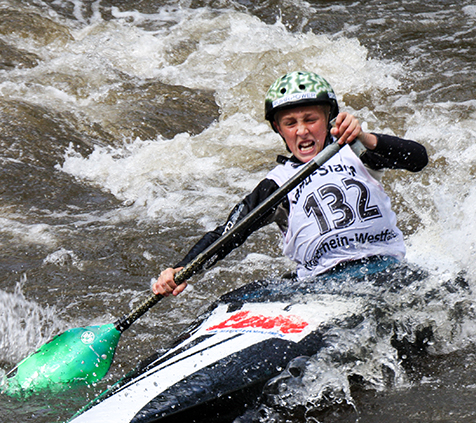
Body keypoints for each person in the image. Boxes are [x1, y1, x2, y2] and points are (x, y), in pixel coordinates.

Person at [153, 71, 428, 297]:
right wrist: (181, 269)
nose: (302, 130)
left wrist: (365, 137)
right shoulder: (276, 184)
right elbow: (228, 235)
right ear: (278, 129)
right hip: (325, 285)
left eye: (311, 119)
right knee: (242, 295)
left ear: (328, 119)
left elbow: (418, 159)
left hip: (386, 269)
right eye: (290, 123)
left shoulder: (356, 150)